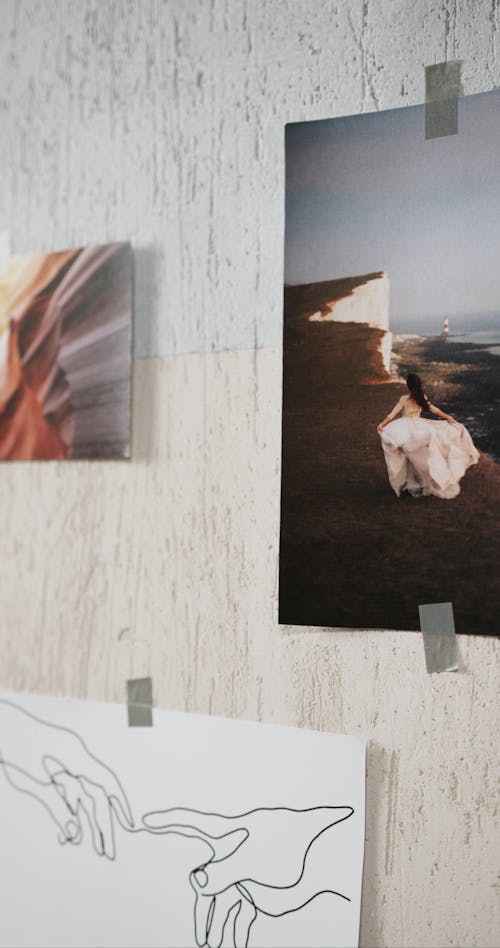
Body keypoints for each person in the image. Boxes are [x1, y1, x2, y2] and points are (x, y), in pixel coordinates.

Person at [377, 372, 479, 499]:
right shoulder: (421, 397)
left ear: (408, 386)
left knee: (408, 455)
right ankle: (421, 481)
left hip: (404, 428)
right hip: (420, 428)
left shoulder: (404, 399)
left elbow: (392, 415)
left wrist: (382, 424)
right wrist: (448, 418)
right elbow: (435, 410)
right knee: (421, 454)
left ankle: (412, 483)